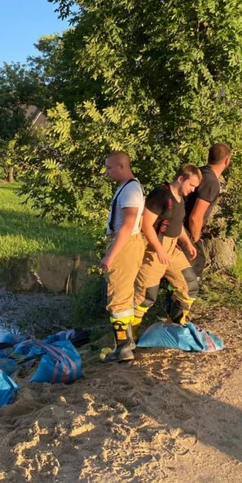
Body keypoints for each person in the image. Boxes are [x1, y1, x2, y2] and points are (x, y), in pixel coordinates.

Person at [133, 165, 202, 335]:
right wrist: (159, 250)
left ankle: (176, 325)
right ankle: (127, 338)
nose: (193, 190)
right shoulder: (161, 195)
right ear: (181, 179)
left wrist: (187, 243)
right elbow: (146, 224)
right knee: (145, 297)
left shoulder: (181, 198)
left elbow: (176, 225)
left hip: (173, 249)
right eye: (191, 185)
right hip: (154, 249)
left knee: (189, 286)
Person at [99, 151, 145, 363]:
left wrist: (110, 255)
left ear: (122, 166)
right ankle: (127, 343)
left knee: (117, 297)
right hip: (126, 244)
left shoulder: (130, 190)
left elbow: (127, 226)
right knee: (124, 295)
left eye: (109, 168)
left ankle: (123, 349)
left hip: (124, 245)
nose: (107, 172)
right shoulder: (127, 188)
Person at [184, 143, 232, 278]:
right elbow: (195, 217)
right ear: (227, 160)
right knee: (195, 267)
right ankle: (178, 298)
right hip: (185, 231)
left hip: (177, 228)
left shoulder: (200, 172)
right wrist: (195, 240)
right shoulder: (211, 182)